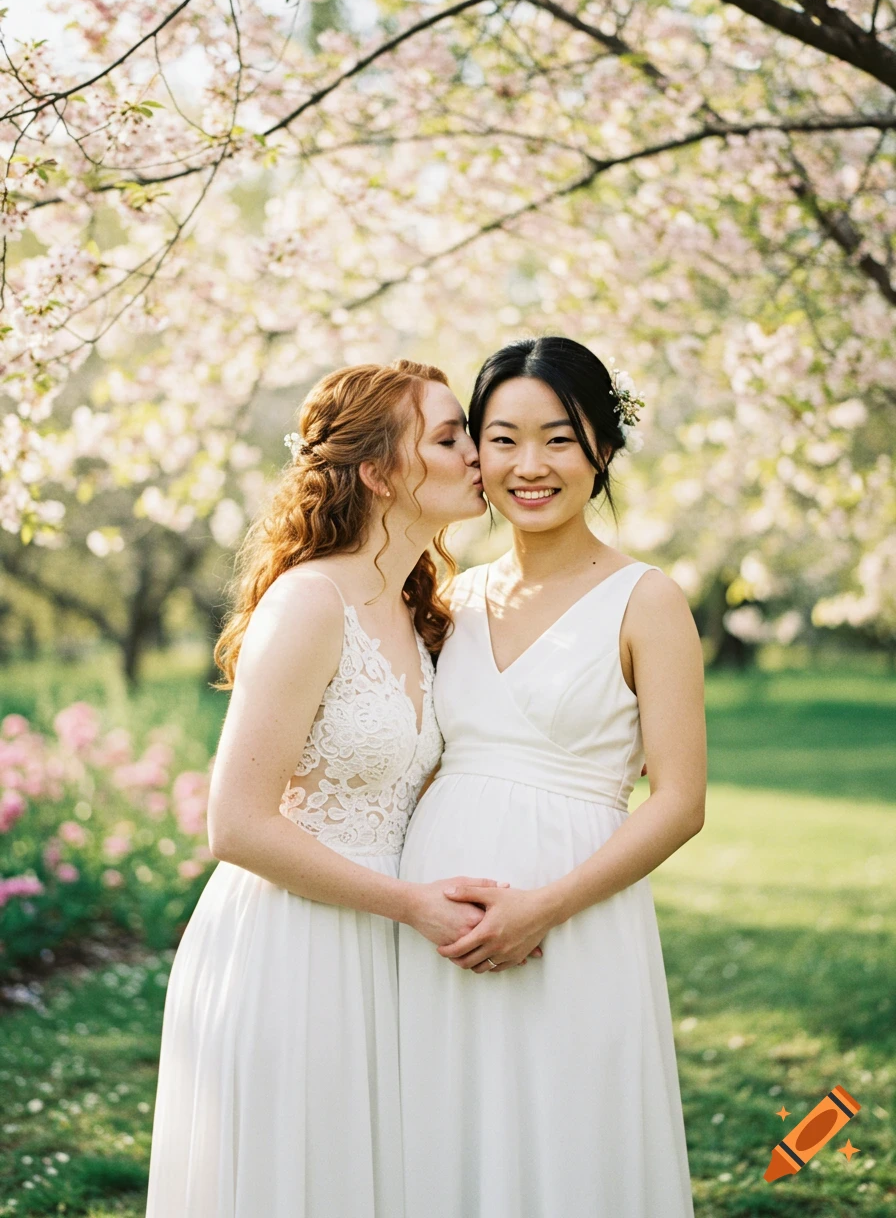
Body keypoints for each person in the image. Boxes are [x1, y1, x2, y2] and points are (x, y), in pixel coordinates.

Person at [145, 358, 493, 1218]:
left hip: (388, 950)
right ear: (379, 472)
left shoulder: (418, 611)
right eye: (449, 437)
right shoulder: (308, 604)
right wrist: (408, 903)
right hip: (292, 948)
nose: (479, 452)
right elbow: (235, 824)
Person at [398, 336, 706, 1218]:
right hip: (438, 923)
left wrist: (544, 906)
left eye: (558, 438)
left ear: (602, 449)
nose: (529, 466)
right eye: (501, 439)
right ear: (474, 454)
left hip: (574, 917)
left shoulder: (647, 600)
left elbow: (680, 802)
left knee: (570, 1145)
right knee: (443, 1142)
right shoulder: (449, 599)